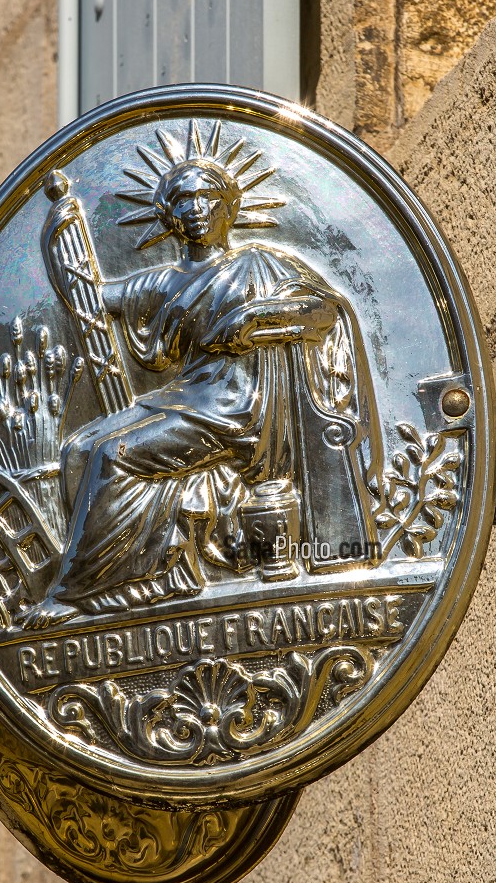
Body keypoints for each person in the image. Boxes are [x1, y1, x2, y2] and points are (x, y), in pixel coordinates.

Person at [24, 154, 381, 627]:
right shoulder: (164, 280)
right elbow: (91, 298)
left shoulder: (262, 264)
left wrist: (254, 317)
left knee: (114, 454)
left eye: (206, 196)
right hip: (189, 397)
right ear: (169, 215)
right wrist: (59, 238)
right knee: (78, 450)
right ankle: (141, 581)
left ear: (228, 208)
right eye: (182, 199)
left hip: (240, 407)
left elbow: (322, 310)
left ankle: (74, 591)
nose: (195, 207)